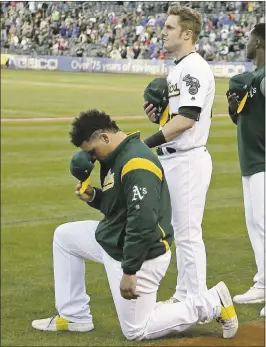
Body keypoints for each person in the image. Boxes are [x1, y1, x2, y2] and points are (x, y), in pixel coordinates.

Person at [31, 110, 238, 340]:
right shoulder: (115, 157)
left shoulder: (136, 163)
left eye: (92, 151)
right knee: (65, 237)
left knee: (136, 330)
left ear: (104, 137)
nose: (92, 158)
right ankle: (74, 316)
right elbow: (118, 208)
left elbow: (142, 223)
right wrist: (94, 197)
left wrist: (130, 271)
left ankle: (210, 303)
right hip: (114, 239)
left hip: (142, 254)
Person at [143, 5, 215, 305]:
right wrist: (158, 118)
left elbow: (187, 119)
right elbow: (174, 118)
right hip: (173, 157)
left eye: (170, 28)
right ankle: (184, 294)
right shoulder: (179, 67)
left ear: (187, 34)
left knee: (187, 235)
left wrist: (144, 144)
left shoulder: (194, 67)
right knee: (179, 232)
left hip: (187, 159)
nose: (163, 31)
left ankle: (198, 301)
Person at [226, 23, 265, 317]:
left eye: (250, 39)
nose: (246, 43)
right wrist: (234, 110)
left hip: (264, 162)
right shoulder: (251, 79)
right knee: (255, 224)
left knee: (264, 224)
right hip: (251, 162)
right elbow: (247, 121)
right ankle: (263, 283)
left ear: (260, 42)